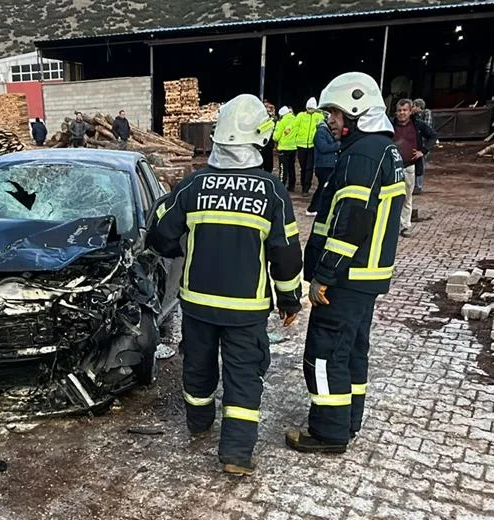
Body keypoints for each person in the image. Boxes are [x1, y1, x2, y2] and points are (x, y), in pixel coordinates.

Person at [147, 94, 303, 475]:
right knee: (244, 376)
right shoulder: (271, 191)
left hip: (198, 304)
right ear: (260, 142)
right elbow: (285, 253)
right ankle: (235, 453)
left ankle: (199, 424)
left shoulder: (194, 185)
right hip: (246, 310)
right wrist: (290, 298)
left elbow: (160, 235)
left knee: (198, 367)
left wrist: (180, 248)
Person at [286, 72, 405, 454]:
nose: (330, 121)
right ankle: (349, 420)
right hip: (365, 278)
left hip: (346, 279)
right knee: (352, 352)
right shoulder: (382, 149)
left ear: (356, 110)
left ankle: (328, 432)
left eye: (335, 113)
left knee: (323, 355)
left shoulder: (363, 155)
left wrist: (324, 275)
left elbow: (352, 220)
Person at [392, 99, 435, 237]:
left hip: (409, 166)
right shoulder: (390, 125)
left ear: (410, 111)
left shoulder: (417, 124)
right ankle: (391, 225)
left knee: (407, 197)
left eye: (404, 110)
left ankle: (405, 226)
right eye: (399, 110)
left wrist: (423, 150)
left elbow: (433, 136)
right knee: (390, 197)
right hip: (392, 167)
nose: (402, 113)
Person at [306, 113, 339, 216]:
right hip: (323, 165)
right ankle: (312, 208)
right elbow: (323, 148)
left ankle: (320, 207)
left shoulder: (328, 132)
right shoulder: (321, 132)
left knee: (325, 187)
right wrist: (337, 145)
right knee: (322, 187)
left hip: (329, 164)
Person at [295, 97, 325, 196]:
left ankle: (306, 188)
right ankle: (303, 183)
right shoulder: (301, 116)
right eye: (308, 108)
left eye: (312, 108)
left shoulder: (319, 116)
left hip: (312, 146)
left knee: (309, 168)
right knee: (303, 167)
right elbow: (295, 126)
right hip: (301, 145)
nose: (310, 110)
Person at [411, 99, 433, 195]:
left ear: (418, 106)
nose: (413, 108)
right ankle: (415, 185)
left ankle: (418, 186)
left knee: (421, 164)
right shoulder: (414, 116)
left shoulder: (426, 113)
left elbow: (427, 127)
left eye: (414, 106)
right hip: (417, 144)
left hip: (423, 144)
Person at [273, 106, 298, 191]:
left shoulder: (281, 122)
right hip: (293, 147)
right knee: (292, 168)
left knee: (283, 168)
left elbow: (276, 137)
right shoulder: (296, 119)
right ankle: (292, 185)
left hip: (283, 148)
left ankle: (281, 186)